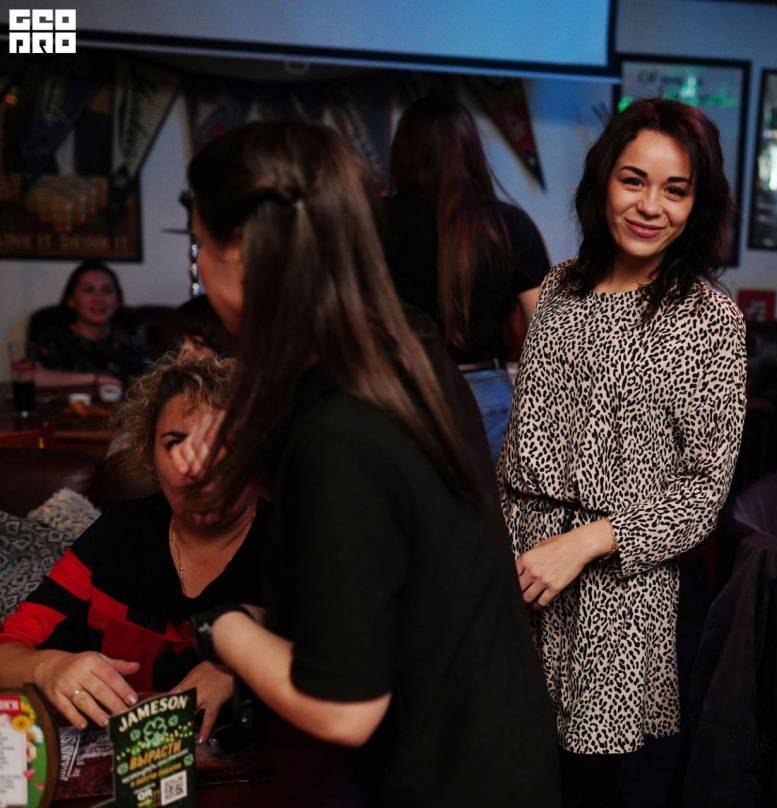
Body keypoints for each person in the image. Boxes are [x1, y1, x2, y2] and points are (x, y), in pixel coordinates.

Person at [171, 121, 560, 807]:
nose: (199, 270)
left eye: (200, 246)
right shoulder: (405, 342)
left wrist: (220, 627)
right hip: (499, 744)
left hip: (451, 780)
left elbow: (344, 709)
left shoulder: (339, 435)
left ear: (248, 254)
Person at [498, 98, 747, 806]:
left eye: (676, 190)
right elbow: (522, 443)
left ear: (697, 205)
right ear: (603, 179)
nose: (650, 207)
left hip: (615, 595)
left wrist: (583, 544)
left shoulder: (708, 319)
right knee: (503, 769)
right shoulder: (558, 289)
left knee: (583, 789)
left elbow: (703, 493)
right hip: (518, 567)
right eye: (633, 180)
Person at [0, 352, 262, 742]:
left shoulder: (297, 539)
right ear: (150, 455)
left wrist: (239, 669)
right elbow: (7, 653)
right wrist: (49, 668)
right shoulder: (118, 532)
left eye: (221, 443)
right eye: (175, 442)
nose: (195, 465)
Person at [383, 94, 551, 459]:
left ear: (403, 152)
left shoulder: (375, 221)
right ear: (471, 152)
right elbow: (546, 336)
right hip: (487, 397)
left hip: (399, 393)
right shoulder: (510, 226)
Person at [30, 260, 145, 389]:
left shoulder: (129, 340)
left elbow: (149, 381)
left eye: (107, 291)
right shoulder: (53, 338)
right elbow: (30, 376)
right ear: (71, 300)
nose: (98, 299)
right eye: (88, 290)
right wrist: (96, 379)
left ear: (117, 301)